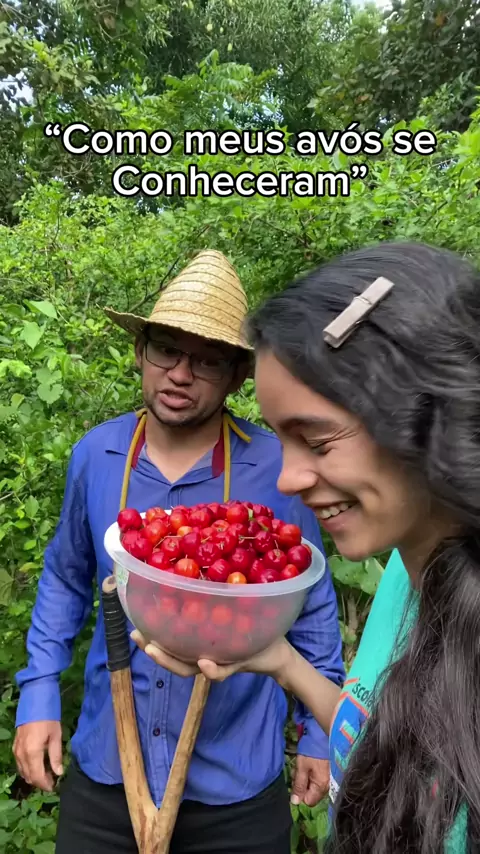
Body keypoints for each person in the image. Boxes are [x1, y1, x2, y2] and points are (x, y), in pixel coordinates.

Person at [135, 242, 480, 854]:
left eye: (317, 442)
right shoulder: (406, 570)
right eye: (281, 439)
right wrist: (280, 660)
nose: (288, 479)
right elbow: (383, 739)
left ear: (428, 417)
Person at [13, 249, 344, 854]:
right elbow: (64, 578)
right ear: (141, 353)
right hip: (109, 769)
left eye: (207, 360)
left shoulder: (275, 467)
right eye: (166, 349)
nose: (180, 374)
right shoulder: (97, 455)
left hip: (235, 784)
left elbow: (311, 603)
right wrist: (38, 695)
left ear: (237, 377)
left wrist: (318, 734)